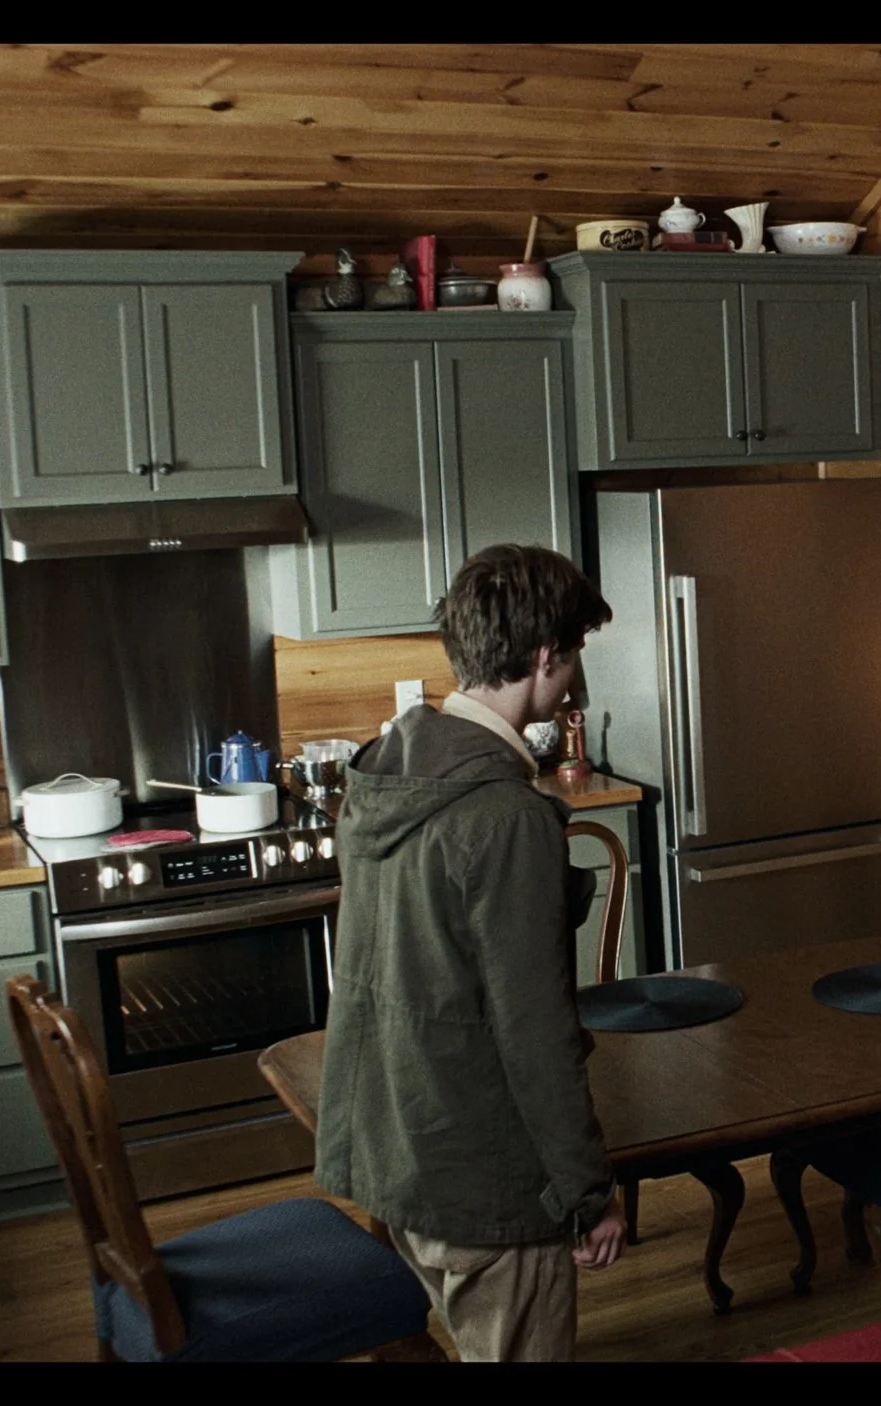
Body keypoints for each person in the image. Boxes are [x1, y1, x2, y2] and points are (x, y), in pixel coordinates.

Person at [315, 543, 626, 1362]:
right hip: (484, 1174)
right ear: (543, 656)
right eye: (575, 656)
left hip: (401, 1152)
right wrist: (588, 1194)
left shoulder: (386, 773)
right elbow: (534, 1030)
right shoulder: (505, 816)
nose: (572, 679)